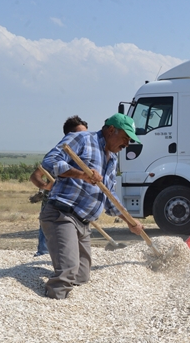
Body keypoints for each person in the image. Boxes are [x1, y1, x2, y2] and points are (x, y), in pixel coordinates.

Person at [40, 113, 144, 299]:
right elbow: (50, 161)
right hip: (62, 214)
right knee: (67, 271)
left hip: (84, 223)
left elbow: (109, 197)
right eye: (125, 138)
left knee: (82, 275)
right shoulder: (83, 138)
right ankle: (52, 304)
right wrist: (81, 174)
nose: (127, 144)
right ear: (111, 130)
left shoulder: (112, 160)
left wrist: (129, 220)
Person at [30, 115, 88, 257]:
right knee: (49, 230)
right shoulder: (58, 155)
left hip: (76, 202)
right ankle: (42, 254)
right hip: (54, 201)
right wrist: (46, 186)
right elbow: (35, 176)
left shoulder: (85, 154)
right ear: (70, 135)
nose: (84, 137)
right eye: (80, 134)